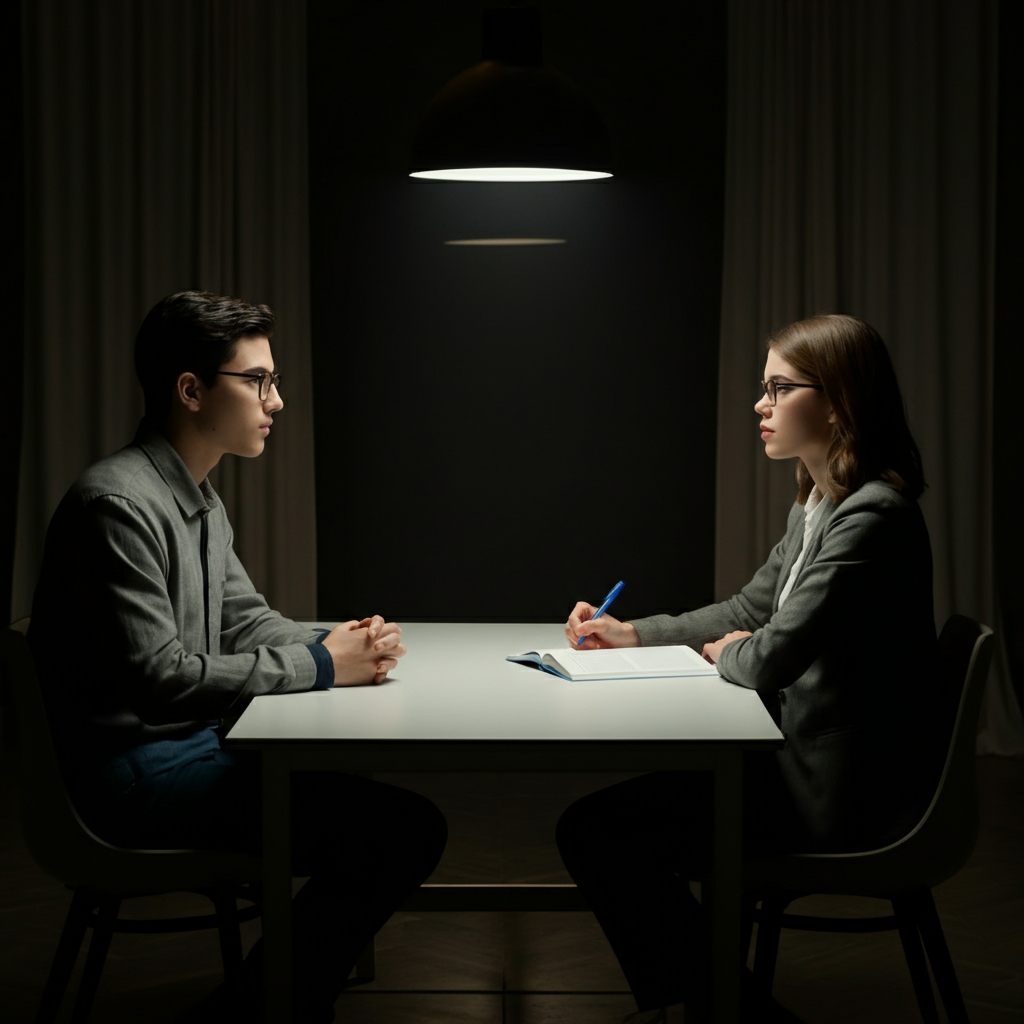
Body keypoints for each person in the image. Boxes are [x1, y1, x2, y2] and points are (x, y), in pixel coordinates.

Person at [28, 290, 448, 1022]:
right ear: (190, 390)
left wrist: (342, 641)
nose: (276, 401)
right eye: (258, 381)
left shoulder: (194, 494)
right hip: (130, 782)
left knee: (382, 812)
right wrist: (324, 665)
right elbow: (160, 681)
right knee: (404, 830)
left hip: (184, 753)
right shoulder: (116, 504)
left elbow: (246, 621)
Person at [556, 314, 939, 1024]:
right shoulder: (820, 504)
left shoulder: (873, 517)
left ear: (838, 399)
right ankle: (723, 1001)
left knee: (598, 831)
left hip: (837, 794)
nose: (760, 406)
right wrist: (632, 633)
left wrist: (734, 650)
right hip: (798, 765)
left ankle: (737, 1011)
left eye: (778, 388)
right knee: (601, 827)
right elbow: (749, 607)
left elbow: (769, 653)